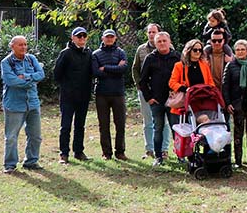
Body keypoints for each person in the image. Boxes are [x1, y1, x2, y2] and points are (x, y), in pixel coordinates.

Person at [0, 35, 44, 173]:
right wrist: (32, 80)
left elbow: (41, 74)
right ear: (12, 46)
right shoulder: (6, 62)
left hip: (33, 103)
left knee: (35, 136)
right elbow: (11, 81)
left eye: (25, 44)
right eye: (20, 45)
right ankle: (10, 165)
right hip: (14, 105)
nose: (24, 47)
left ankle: (31, 161)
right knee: (11, 137)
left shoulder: (31, 59)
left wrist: (25, 77)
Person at [138, 31, 181, 166]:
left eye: (164, 41)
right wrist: (149, 98)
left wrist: (180, 93)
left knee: (177, 129)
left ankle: (181, 155)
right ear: (155, 44)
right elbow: (142, 81)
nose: (162, 43)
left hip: (174, 101)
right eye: (159, 41)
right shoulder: (150, 58)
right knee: (158, 128)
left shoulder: (177, 57)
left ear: (169, 42)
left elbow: (183, 77)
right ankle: (158, 157)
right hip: (157, 101)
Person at [54, 26, 93, 163]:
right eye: (79, 36)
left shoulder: (88, 53)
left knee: (80, 125)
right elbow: (57, 74)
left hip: (83, 95)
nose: (82, 38)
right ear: (72, 37)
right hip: (68, 96)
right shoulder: (66, 53)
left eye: (84, 36)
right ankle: (64, 154)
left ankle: (79, 151)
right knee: (65, 126)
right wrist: (68, 86)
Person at [91, 29, 128, 160]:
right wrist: (115, 68)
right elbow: (95, 72)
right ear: (102, 38)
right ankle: (106, 153)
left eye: (111, 37)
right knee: (104, 125)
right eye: (107, 37)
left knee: (120, 124)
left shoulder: (121, 52)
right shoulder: (96, 54)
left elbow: (123, 69)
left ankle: (120, 151)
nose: (109, 39)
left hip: (118, 93)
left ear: (115, 38)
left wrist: (105, 68)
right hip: (102, 93)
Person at [132, 23, 165, 160]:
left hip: (163, 91)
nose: (151, 34)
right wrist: (140, 87)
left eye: (154, 32)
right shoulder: (141, 49)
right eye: (149, 32)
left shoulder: (167, 47)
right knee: (148, 121)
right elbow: (135, 69)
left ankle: (164, 150)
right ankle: (149, 149)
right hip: (145, 91)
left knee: (164, 123)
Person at [222, 39, 247, 167]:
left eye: (243, 49)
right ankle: (237, 161)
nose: (240, 52)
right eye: (237, 50)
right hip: (237, 103)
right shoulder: (230, 66)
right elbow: (225, 87)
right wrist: (227, 103)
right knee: (238, 133)